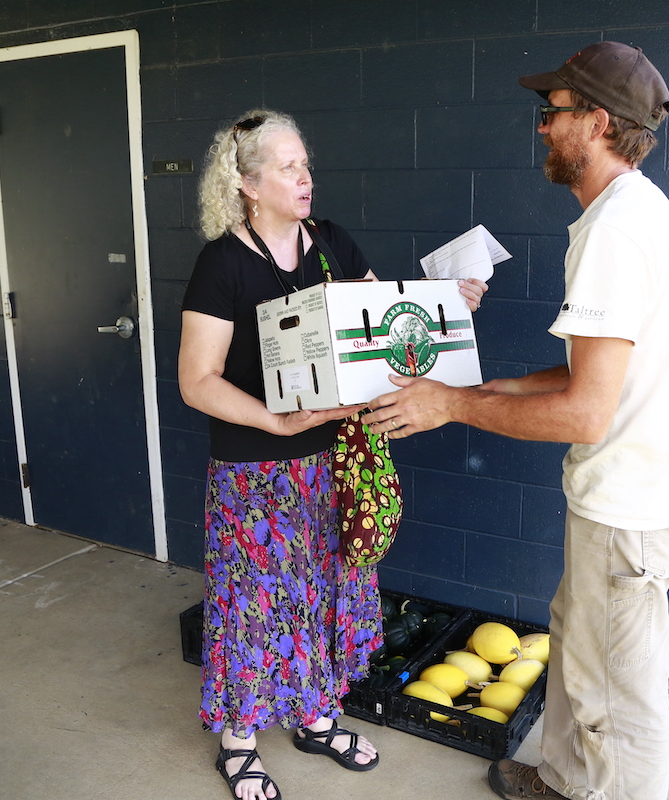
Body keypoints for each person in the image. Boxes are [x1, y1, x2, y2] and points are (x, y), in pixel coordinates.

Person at [362, 43, 669, 800]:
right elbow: (598, 373)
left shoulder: (615, 231)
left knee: (621, 693)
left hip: (629, 502)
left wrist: (449, 404)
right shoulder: (628, 213)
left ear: (598, 121)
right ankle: (563, 781)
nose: (542, 129)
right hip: (625, 491)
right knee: (582, 652)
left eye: (551, 114)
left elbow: (585, 411)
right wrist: (498, 386)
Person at [178, 109, 487, 800]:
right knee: (255, 605)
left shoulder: (332, 244)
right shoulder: (222, 263)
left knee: (326, 593)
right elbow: (196, 381)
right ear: (248, 183)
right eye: (288, 167)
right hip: (253, 471)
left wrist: (452, 305)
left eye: (306, 165)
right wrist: (273, 422)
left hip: (337, 461)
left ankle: (317, 719)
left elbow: (386, 324)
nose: (305, 178)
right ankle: (239, 743)